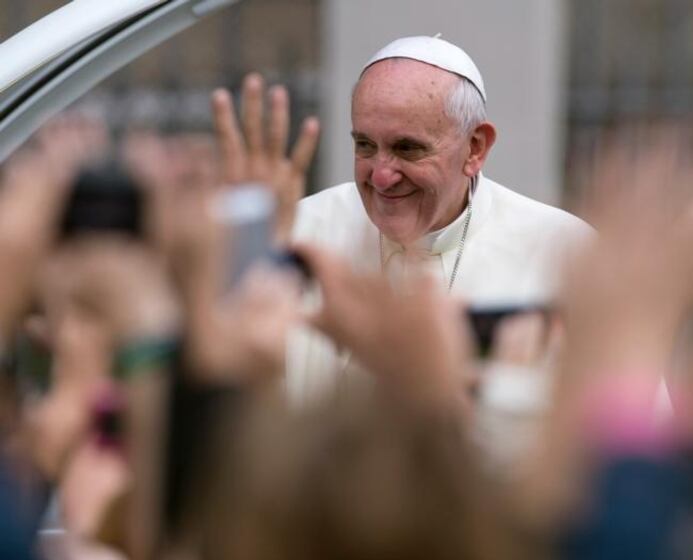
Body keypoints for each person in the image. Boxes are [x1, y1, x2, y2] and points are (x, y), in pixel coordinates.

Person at [210, 36, 591, 402]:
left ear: (475, 148)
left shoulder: (564, 251)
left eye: (407, 149)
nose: (381, 176)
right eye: (365, 146)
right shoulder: (300, 229)